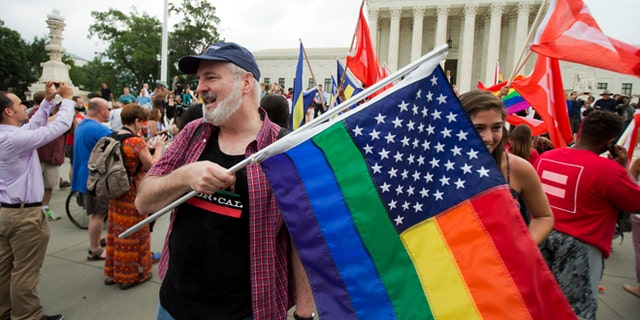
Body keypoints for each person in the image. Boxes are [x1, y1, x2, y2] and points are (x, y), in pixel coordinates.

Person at [135, 41, 314, 320]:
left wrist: (304, 313)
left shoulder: (283, 147)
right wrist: (186, 176)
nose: (199, 88)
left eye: (211, 77)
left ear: (245, 82)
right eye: (198, 79)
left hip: (249, 311)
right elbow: (144, 201)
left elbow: (301, 240)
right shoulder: (194, 132)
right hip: (173, 304)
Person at [534, 110, 640, 320]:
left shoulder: (547, 157)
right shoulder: (607, 170)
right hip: (582, 246)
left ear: (580, 130)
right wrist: (625, 168)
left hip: (542, 237)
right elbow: (635, 203)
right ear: (610, 141)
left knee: (540, 298)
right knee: (575, 309)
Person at [0, 81, 73, 320]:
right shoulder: (12, 140)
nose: (25, 107)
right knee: (25, 272)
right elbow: (58, 127)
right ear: (8, 112)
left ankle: (6, 312)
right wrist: (68, 99)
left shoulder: (9, 135)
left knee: (4, 270)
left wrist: (49, 101)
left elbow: (33, 126)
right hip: (24, 217)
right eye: (21, 104)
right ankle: (27, 316)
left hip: (6, 212)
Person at [459, 90, 554, 242]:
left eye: (496, 127)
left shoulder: (518, 168)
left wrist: (523, 249)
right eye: (478, 128)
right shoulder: (435, 169)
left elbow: (544, 216)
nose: (489, 138)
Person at [104, 104, 166, 290]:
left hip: (116, 193)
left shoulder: (113, 136)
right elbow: (152, 166)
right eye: (142, 121)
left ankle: (112, 273)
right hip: (133, 193)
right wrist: (160, 147)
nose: (144, 125)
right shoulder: (136, 142)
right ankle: (130, 276)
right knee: (134, 234)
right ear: (137, 121)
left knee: (116, 233)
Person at [72, 97, 113, 261]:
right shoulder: (99, 129)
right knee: (98, 215)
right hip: (95, 179)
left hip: (83, 176)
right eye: (108, 109)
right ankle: (95, 249)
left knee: (93, 214)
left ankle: (96, 240)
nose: (109, 112)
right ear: (102, 110)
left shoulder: (82, 125)